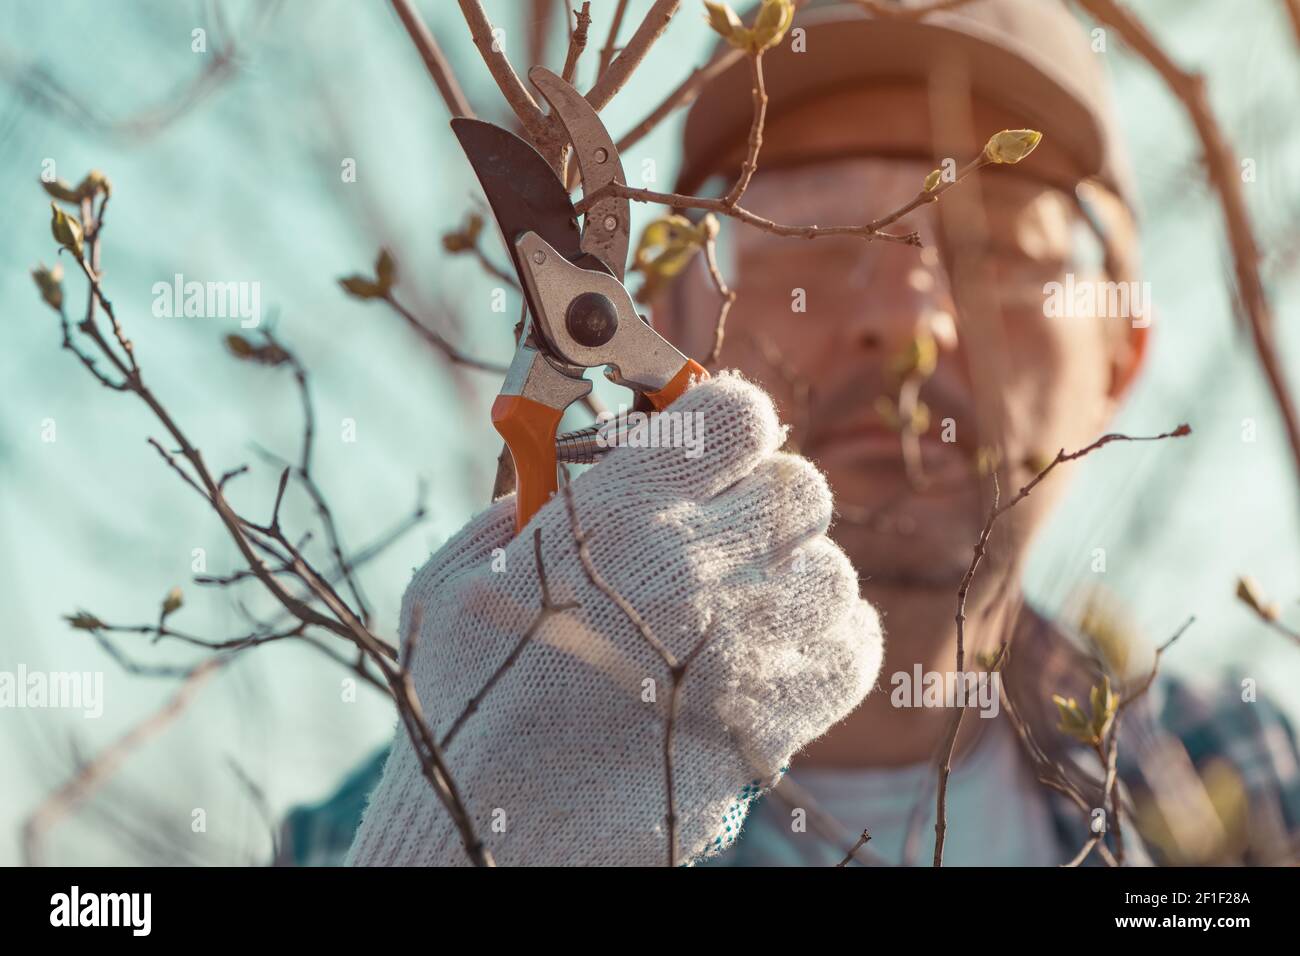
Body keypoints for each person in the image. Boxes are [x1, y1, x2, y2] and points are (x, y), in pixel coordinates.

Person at [283, 0, 1300, 867]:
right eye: (804, 224)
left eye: (997, 244)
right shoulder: (374, 832)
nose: (908, 317)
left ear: (1116, 357)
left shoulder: (1251, 775)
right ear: (672, 318)